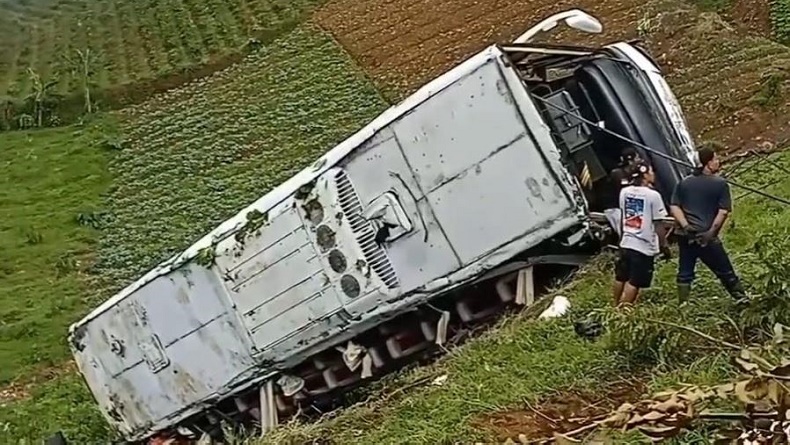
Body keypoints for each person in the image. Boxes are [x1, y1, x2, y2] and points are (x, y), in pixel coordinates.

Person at [669, 147, 746, 303]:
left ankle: (682, 305)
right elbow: (723, 212)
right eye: (716, 159)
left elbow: (674, 206)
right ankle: (742, 299)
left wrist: (685, 226)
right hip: (706, 235)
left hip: (686, 235)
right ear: (708, 162)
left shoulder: (684, 182)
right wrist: (711, 233)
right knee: (725, 271)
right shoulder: (720, 183)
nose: (718, 162)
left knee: (685, 272)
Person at [613, 161, 672, 307]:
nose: (653, 174)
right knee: (635, 281)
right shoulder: (653, 195)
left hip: (626, 241)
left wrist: (621, 238)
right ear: (645, 175)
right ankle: (622, 311)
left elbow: (623, 217)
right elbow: (658, 224)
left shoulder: (624, 192)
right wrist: (663, 244)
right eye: (651, 171)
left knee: (621, 277)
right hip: (643, 246)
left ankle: (614, 305)